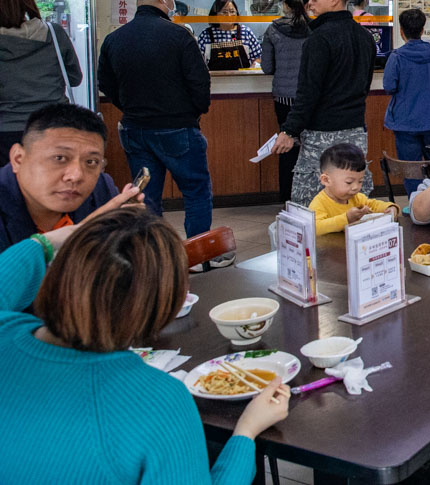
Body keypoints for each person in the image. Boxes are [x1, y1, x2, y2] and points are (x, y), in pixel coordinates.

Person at [0, 207, 290, 483]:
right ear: (163, 305)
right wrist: (245, 433)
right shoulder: (159, 401)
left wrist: (44, 243)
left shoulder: (6, 332)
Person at [99, 0, 214, 238]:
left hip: (134, 129)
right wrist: (194, 112)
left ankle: (152, 253)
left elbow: (106, 83)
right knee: (196, 191)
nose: (173, 2)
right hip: (177, 128)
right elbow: (199, 83)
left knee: (145, 196)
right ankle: (197, 256)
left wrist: (128, 107)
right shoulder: (179, 36)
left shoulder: (114, 39)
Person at [270, 0, 376, 205]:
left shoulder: (318, 39)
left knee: (312, 204)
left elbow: (308, 92)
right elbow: (365, 86)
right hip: (356, 132)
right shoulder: (365, 38)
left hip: (321, 135)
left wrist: (289, 131)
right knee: (354, 201)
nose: (310, 3)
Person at [1, 104, 143, 250]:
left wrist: (129, 233)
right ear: (18, 159)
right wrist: (81, 234)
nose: (76, 176)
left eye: (91, 162)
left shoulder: (101, 188)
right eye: (59, 158)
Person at [0, 0, 83, 167]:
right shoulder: (53, 33)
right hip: (53, 126)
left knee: (8, 190)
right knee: (54, 188)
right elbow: (75, 78)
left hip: (5, 131)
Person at [383, 7, 430, 196]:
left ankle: (416, 206)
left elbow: (389, 86)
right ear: (422, 30)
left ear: (401, 31)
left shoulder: (397, 57)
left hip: (406, 120)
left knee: (411, 169)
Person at [260, 0, 310, 205]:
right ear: (309, 4)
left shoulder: (273, 30)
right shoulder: (316, 29)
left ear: (285, 5)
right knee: (311, 147)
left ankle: (288, 200)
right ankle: (311, 199)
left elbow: (267, 67)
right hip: (310, 99)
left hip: (284, 98)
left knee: (287, 146)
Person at [308, 143, 399, 235]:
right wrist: (346, 218)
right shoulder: (320, 203)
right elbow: (315, 228)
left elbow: (373, 205)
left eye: (360, 181)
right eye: (349, 182)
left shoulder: (356, 198)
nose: (356, 187)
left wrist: (390, 207)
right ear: (326, 180)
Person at [195, 0, 262, 64]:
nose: (229, 15)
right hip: (214, 74)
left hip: (242, 74)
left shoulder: (246, 32)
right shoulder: (206, 35)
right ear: (215, 15)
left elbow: (259, 57)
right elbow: (196, 61)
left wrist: (253, 68)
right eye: (224, 12)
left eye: (232, 12)